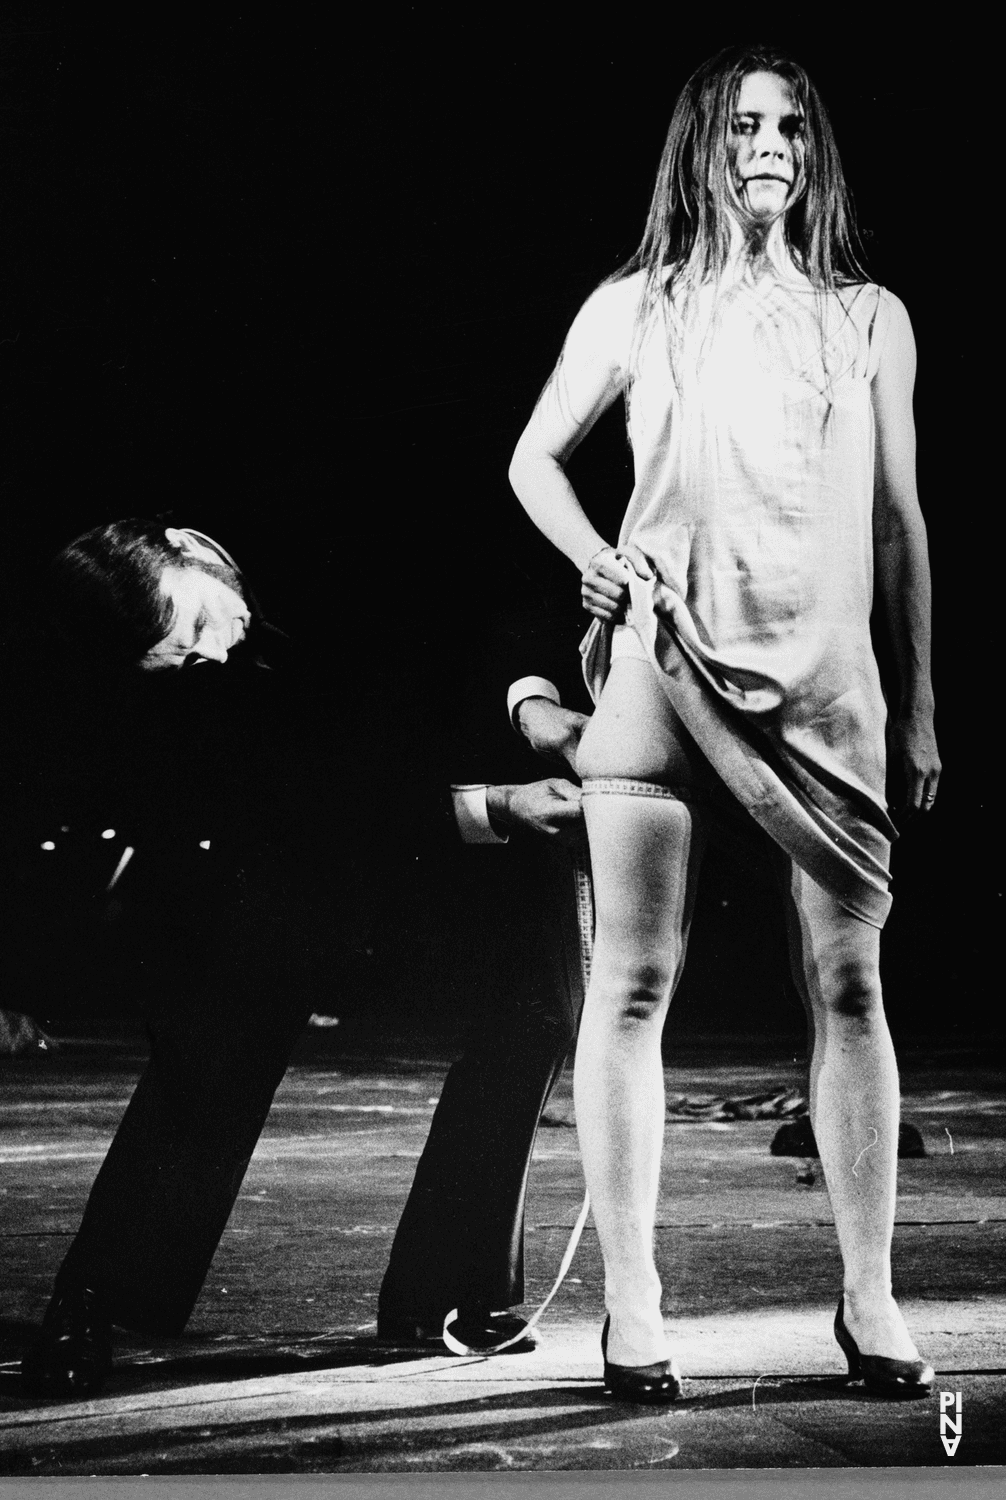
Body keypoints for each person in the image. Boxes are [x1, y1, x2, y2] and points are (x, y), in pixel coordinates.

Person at [508, 44, 939, 1402]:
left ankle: (868, 1298)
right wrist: (591, 554)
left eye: (791, 125)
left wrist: (918, 698)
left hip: (825, 685)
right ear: (701, 143)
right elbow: (530, 457)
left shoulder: (869, 316)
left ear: (811, 153)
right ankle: (632, 1307)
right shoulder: (634, 308)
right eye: (745, 122)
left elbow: (898, 521)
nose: (769, 143)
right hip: (662, 665)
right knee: (633, 984)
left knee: (851, 987)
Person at [13, 518, 590, 1395]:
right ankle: (97, 1297)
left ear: (189, 550)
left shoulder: (343, 559)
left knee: (534, 1009)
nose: (214, 655)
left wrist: (524, 727)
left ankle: (448, 1294)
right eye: (185, 662)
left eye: (203, 629)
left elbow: (482, 627)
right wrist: (488, 805)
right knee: (215, 1030)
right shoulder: (175, 686)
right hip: (319, 844)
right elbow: (307, 802)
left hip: (471, 786)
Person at [377, 678, 590, 1353]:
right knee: (516, 1032)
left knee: (532, 1031)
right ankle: (431, 1292)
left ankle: (460, 1292)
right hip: (457, 812)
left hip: (528, 809)